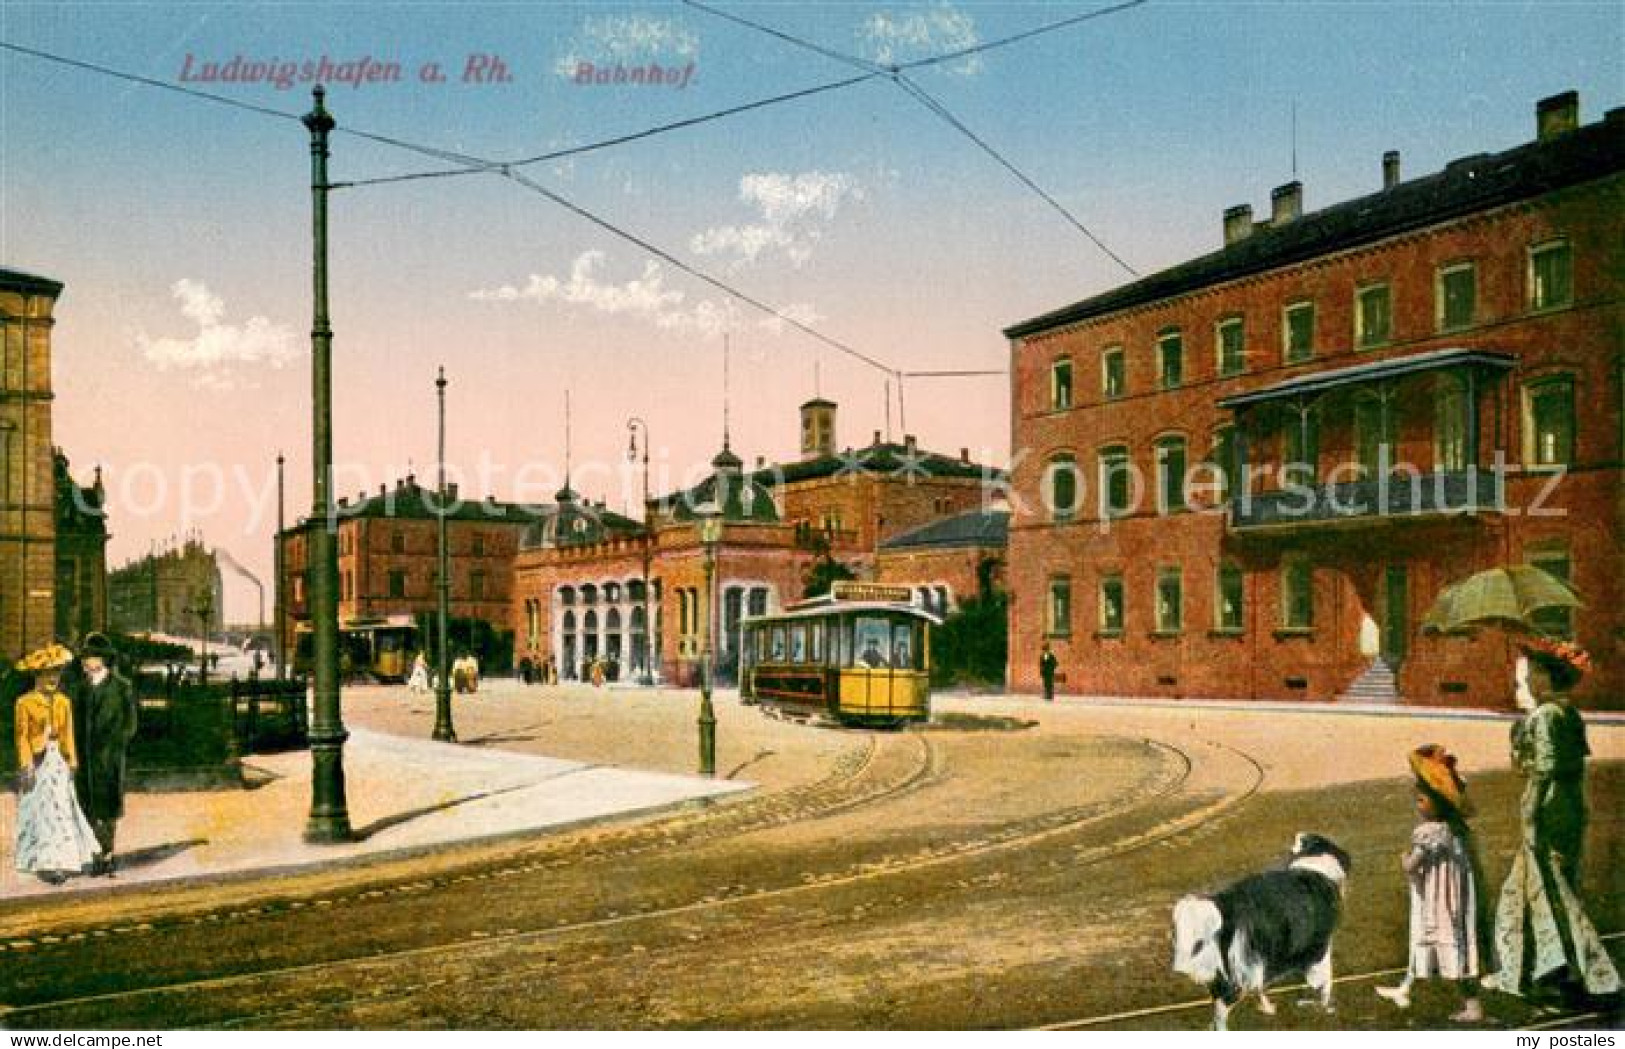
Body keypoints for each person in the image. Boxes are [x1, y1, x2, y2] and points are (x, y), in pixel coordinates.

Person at [1487, 639, 1620, 1002]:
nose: (1524, 684)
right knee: (1525, 891)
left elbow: (1542, 772)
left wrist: (1530, 818)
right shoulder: (1567, 713)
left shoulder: (1546, 716)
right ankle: (1530, 968)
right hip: (1568, 809)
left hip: (1548, 811)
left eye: (1527, 677)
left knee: (1549, 891)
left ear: (1544, 678)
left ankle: (1570, 974)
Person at [1375, 745, 1489, 1022]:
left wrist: (1404, 859)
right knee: (1456, 942)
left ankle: (1472, 1006)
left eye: (1422, 800)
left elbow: (1411, 865)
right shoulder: (1456, 829)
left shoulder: (1430, 833)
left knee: (1443, 941)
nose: (1418, 805)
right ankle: (1408, 986)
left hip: (1440, 898)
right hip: (1457, 894)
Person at [12, 643, 100, 885]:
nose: (53, 679)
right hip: (38, 762)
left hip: (57, 760)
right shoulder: (25, 702)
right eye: (47, 674)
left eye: (57, 673)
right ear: (36, 676)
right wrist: (26, 764)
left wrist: (72, 759)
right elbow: (21, 736)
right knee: (40, 811)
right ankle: (44, 863)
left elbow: (68, 733)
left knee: (62, 807)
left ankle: (64, 859)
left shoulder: (63, 701)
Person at [72, 633, 139, 876]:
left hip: (109, 759)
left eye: (91, 656)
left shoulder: (122, 687)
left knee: (108, 809)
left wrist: (116, 744)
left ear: (103, 659)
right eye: (85, 657)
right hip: (85, 759)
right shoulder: (80, 689)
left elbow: (131, 724)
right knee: (87, 806)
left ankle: (107, 854)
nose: (86, 661)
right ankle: (95, 854)